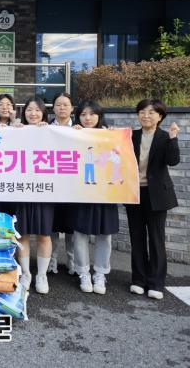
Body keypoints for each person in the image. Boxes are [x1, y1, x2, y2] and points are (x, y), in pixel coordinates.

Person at [127, 99, 180, 300]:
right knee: (137, 238)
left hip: (157, 195)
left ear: (160, 116)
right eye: (142, 112)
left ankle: (156, 282)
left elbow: (173, 161)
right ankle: (138, 280)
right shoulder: (131, 136)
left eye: (151, 112)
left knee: (156, 239)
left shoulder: (165, 137)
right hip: (134, 193)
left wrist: (173, 139)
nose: (146, 116)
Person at [71, 100, 119, 295]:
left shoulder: (110, 136)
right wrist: (71, 135)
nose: (87, 118)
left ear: (99, 116)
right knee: (80, 234)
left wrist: (115, 138)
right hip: (80, 193)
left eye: (92, 114)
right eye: (83, 114)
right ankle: (83, 272)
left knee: (104, 234)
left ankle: (100, 273)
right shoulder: (72, 134)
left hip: (105, 193)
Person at [14, 96, 54, 294]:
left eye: (37, 110)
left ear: (43, 113)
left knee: (44, 234)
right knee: (22, 234)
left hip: (44, 190)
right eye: (29, 109)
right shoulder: (16, 130)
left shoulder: (52, 131)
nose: (33, 113)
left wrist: (50, 131)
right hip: (21, 190)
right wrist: (11, 130)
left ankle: (42, 275)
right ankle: (26, 274)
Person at [49, 91, 76, 276]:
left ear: (72, 108)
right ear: (53, 108)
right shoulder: (45, 128)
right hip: (51, 186)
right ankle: (52, 261)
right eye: (58, 104)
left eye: (65, 104)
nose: (62, 108)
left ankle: (72, 261)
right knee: (52, 226)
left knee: (72, 227)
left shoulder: (81, 129)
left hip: (73, 186)